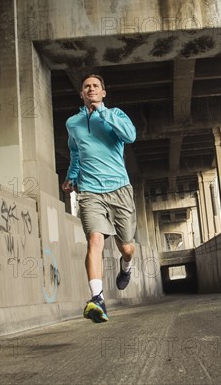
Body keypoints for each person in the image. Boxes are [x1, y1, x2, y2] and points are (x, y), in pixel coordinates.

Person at [61, 74, 137, 323]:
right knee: (94, 240)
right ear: (81, 94)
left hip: (119, 189)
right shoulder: (73, 123)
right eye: (86, 87)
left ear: (103, 93)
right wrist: (72, 176)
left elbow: (130, 136)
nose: (91, 89)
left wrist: (102, 113)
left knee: (125, 247)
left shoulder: (116, 115)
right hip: (90, 191)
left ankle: (126, 266)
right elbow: (75, 151)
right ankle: (97, 299)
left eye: (95, 86)